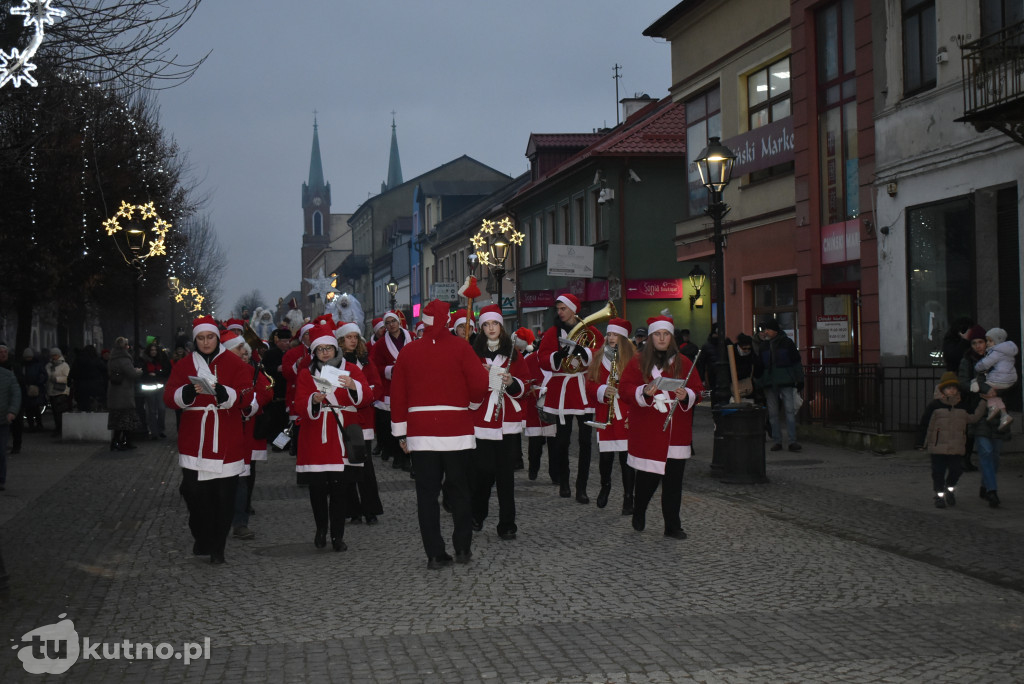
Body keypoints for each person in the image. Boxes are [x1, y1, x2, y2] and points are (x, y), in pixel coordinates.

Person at [390, 299, 489, 570]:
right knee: (459, 490)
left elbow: (397, 395)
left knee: (426, 495)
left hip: (421, 432)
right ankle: (463, 547)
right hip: (456, 428)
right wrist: (471, 405)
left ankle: (434, 553)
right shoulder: (461, 347)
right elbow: (481, 383)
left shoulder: (409, 351)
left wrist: (401, 433)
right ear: (447, 320)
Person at [164, 316, 253, 565]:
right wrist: (186, 393)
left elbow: (247, 393)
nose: (205, 342)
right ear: (195, 340)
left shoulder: (235, 363)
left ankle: (218, 548)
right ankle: (202, 535)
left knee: (224, 497)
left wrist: (228, 394)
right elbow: (169, 397)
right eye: (201, 338)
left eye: (210, 337)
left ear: (216, 337)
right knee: (194, 493)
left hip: (226, 435)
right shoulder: (183, 366)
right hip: (196, 437)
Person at [619, 316, 705, 538]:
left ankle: (672, 526)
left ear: (671, 338)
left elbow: (699, 390)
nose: (662, 338)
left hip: (676, 430)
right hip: (648, 428)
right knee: (647, 480)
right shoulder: (638, 361)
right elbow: (625, 389)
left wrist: (688, 395)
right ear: (651, 337)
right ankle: (639, 509)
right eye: (657, 334)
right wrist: (643, 392)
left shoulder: (684, 363)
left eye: (665, 335)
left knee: (673, 483)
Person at [294, 324, 371, 552]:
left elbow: (367, 396)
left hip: (342, 434)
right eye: (320, 350)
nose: (325, 353)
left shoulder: (352, 369)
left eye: (329, 348)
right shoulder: (306, 374)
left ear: (335, 349)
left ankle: (338, 535)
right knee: (317, 490)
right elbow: (299, 404)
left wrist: (352, 385)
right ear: (314, 352)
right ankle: (320, 529)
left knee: (340, 489)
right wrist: (313, 401)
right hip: (316, 435)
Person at [468, 305, 528, 540]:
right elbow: (468, 387)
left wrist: (511, 381)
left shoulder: (514, 353)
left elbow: (524, 387)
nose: (491, 328)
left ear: (501, 327)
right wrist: (483, 377)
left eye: (495, 324)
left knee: (506, 475)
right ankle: (478, 513)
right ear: (481, 328)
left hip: (506, 422)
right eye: (486, 324)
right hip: (482, 419)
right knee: (482, 472)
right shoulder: (473, 353)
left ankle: (507, 523)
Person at [537, 294, 603, 503]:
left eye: (563, 308)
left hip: (583, 389)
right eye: (558, 308)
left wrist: (586, 352)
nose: (560, 312)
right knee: (562, 441)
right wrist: (557, 356)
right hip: (562, 390)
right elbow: (542, 357)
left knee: (585, 441)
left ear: (574, 309)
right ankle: (564, 482)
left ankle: (581, 487)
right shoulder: (552, 333)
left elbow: (601, 352)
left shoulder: (590, 331)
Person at [222, 332, 273, 541]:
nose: (243, 353)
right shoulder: (217, 371)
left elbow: (265, 392)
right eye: (238, 349)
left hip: (243, 430)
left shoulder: (251, 369)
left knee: (242, 478)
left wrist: (252, 405)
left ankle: (240, 523)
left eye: (244, 349)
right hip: (222, 430)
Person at [585, 317, 636, 513]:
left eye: (615, 334)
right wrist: (602, 390)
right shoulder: (599, 357)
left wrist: (622, 386)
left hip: (625, 414)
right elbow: (589, 384)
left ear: (623, 338)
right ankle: (605, 486)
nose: (611, 337)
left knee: (626, 459)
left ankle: (628, 497)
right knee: (605, 457)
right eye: (609, 334)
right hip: (605, 411)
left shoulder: (633, 359)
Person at [337, 322, 384, 525]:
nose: (353, 340)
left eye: (356, 337)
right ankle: (352, 510)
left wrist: (363, 392)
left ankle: (370, 509)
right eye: (349, 337)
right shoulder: (332, 362)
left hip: (363, 419)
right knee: (345, 467)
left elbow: (378, 387)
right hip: (342, 419)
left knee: (365, 468)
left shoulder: (365, 361)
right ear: (340, 340)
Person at [916, 372, 986, 508]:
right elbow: (924, 424)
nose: (951, 390)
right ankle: (939, 496)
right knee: (938, 472)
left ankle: (950, 488)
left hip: (957, 446)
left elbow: (973, 417)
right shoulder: (935, 406)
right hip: (938, 446)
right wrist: (920, 442)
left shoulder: (962, 406)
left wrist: (983, 402)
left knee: (956, 470)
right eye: (948, 388)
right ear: (942, 389)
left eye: (954, 388)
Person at [958, 326, 1009, 507]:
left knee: (995, 453)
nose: (978, 346)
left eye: (981, 342)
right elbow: (962, 383)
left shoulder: (998, 357)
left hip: (998, 411)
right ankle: (992, 491)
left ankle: (986, 483)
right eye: (974, 343)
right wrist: (977, 389)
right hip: (978, 410)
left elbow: (1012, 380)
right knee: (985, 451)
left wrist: (1000, 389)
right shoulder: (968, 360)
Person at [370, 309, 412, 470]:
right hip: (391, 387)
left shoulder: (412, 337)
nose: (391, 325)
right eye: (387, 323)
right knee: (394, 423)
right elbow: (375, 366)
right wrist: (390, 370)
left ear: (399, 322)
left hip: (411, 385)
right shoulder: (381, 344)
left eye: (393, 321)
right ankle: (398, 455)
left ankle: (409, 456)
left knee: (410, 422)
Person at [754, 319, 804, 452]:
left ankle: (786, 441)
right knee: (778, 413)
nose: (765, 332)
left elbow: (796, 362)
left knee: (783, 412)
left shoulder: (784, 343)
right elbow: (760, 366)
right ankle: (783, 441)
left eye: (768, 329)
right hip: (774, 381)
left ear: (775, 330)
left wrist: (799, 379)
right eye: (765, 330)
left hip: (779, 381)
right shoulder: (777, 344)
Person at [517, 328, 556, 483]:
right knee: (535, 444)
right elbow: (523, 381)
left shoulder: (558, 361)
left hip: (553, 407)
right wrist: (531, 388)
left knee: (555, 444)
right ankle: (533, 468)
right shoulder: (530, 360)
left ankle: (556, 474)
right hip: (535, 408)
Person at [973, 327, 1018, 431]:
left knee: (982, 387)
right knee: (993, 392)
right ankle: (1004, 415)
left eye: (990, 340)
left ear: (997, 341)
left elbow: (985, 363)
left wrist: (977, 367)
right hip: (1010, 379)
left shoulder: (996, 351)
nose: (988, 343)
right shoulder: (1008, 351)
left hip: (1000, 379)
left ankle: (993, 407)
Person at [106, 337, 143, 451]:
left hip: (115, 392)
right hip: (124, 393)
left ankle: (121, 441)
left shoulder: (112, 358)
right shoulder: (124, 359)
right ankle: (119, 442)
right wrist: (138, 371)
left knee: (119, 419)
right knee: (125, 419)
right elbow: (131, 373)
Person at [140, 342, 171, 439]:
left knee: (161, 409)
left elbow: (167, 371)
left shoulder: (161, 360)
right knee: (152, 411)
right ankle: (154, 432)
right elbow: (143, 374)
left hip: (159, 387)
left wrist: (156, 373)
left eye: (154, 350)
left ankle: (160, 429)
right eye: (151, 350)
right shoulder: (144, 361)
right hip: (149, 388)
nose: (153, 352)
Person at [0, 356, 20, 491]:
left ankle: (1, 479)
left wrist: (12, 411)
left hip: (2, 420)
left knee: (1, 451)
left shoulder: (7, 375)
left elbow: (16, 394)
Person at [0, 344, 23, 455]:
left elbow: (20, 384)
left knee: (16, 424)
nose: (3, 354)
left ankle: (16, 445)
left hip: (13, 401)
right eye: (1, 352)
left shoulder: (14, 366)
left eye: (5, 352)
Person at [70, 345, 106, 412]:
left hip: (80, 388)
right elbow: (104, 371)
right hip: (95, 388)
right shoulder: (97, 360)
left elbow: (72, 374)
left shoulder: (78, 360)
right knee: (94, 409)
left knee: (82, 408)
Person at [45, 347, 71, 437]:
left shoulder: (64, 365)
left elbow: (68, 378)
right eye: (52, 355)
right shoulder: (48, 366)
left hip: (61, 391)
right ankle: (57, 428)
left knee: (60, 411)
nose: (54, 357)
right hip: (52, 391)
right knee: (55, 412)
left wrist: (57, 379)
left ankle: (61, 429)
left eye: (55, 355)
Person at [19, 348, 46, 431]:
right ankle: (33, 425)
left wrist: (37, 383)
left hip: (33, 388)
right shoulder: (33, 365)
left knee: (34, 408)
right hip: (28, 388)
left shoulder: (26, 365)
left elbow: (43, 376)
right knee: (30, 409)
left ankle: (37, 425)